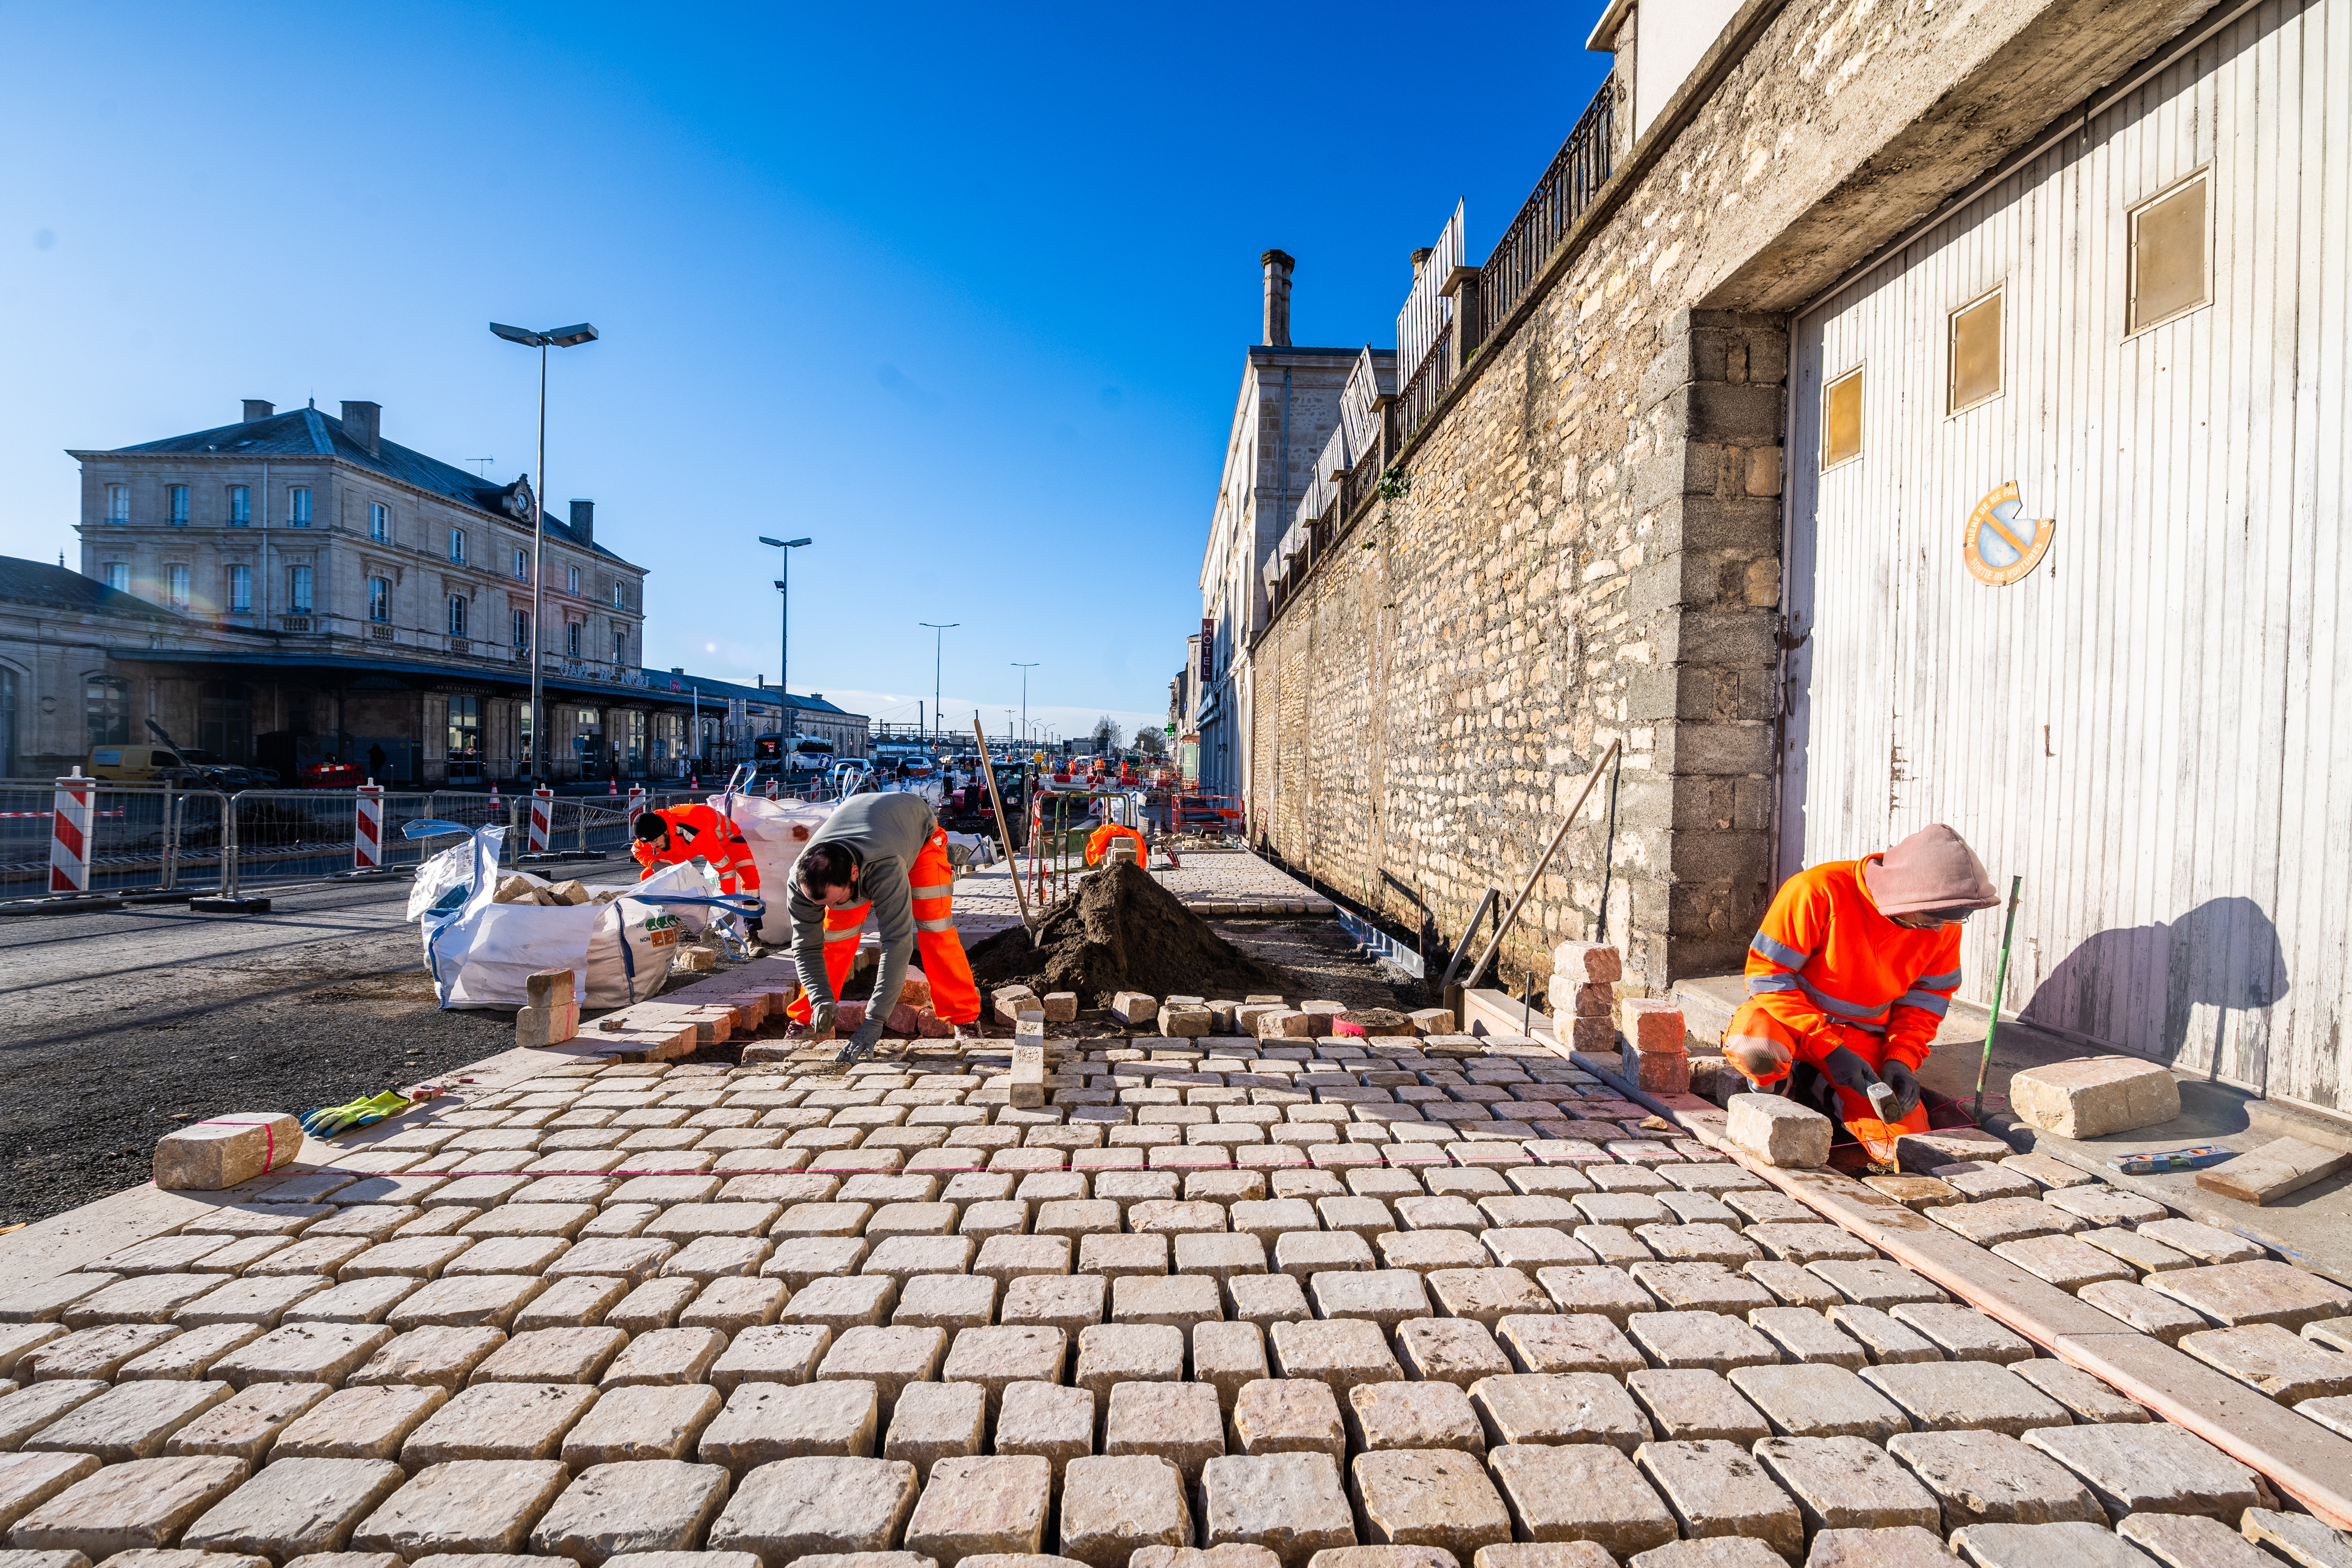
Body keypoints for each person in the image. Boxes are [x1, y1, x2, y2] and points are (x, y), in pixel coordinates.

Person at [1720, 823, 2000, 1133]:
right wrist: (1829, 1048)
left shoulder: (1941, 920)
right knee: (1756, 1049)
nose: (1940, 929)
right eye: (1933, 920)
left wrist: (1901, 1058)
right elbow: (1767, 977)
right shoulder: (1817, 889)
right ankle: (1778, 1094)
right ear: (1907, 898)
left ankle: (1820, 1089)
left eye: (1956, 919)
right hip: (1789, 1023)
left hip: (1863, 1039)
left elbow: (1927, 1001)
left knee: (1905, 1141)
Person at [784, 790, 982, 1059]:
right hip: (872, 831)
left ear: (855, 874)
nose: (832, 908)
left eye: (838, 899)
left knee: (936, 929)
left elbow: (897, 943)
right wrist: (820, 997)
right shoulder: (802, 881)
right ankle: (809, 1017)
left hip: (918, 837)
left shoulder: (885, 866)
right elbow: (806, 948)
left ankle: (964, 1018)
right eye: (824, 904)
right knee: (835, 938)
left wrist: (874, 1021)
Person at [631, 802, 761, 895]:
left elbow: (726, 870)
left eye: (654, 841)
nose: (653, 847)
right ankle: (670, 915)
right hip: (685, 844)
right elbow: (638, 850)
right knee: (649, 874)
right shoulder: (651, 828)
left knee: (750, 877)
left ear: (665, 832)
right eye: (649, 843)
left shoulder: (697, 833)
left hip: (727, 840)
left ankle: (752, 927)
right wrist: (654, 864)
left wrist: (726, 903)